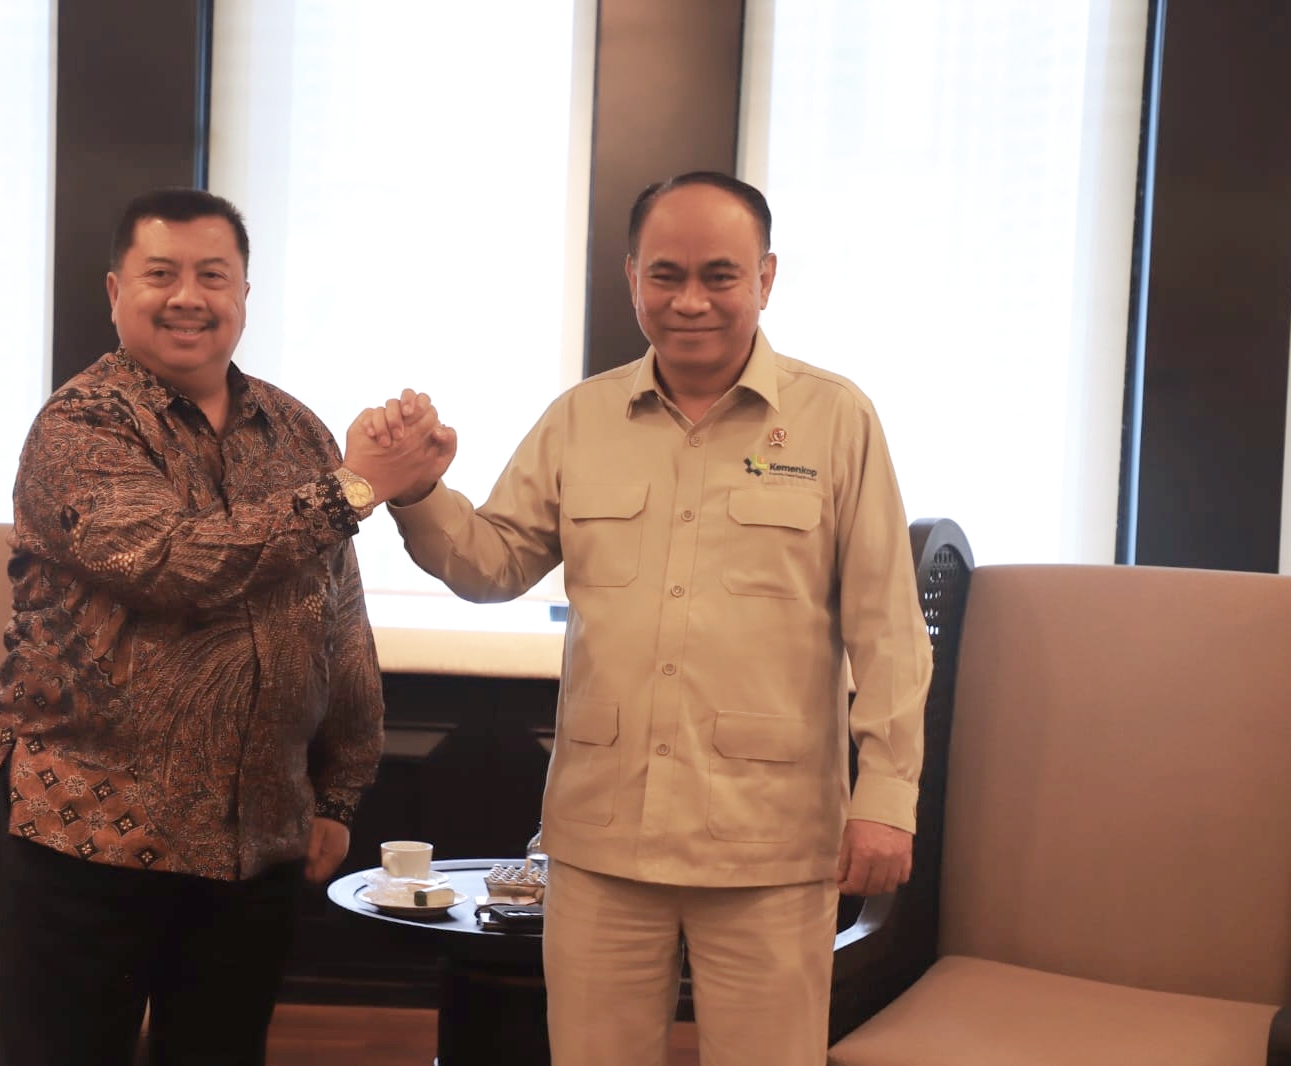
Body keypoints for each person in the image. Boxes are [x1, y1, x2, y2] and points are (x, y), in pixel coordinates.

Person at [366, 171, 931, 1066]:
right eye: (666, 275)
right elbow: (491, 565)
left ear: (765, 277)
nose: (690, 300)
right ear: (633, 278)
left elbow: (889, 630)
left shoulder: (836, 420)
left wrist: (888, 802)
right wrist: (420, 491)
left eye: (720, 275)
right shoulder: (580, 419)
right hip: (602, 839)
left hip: (771, 844)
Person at [0, 187, 448, 1066]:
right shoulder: (79, 424)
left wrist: (338, 792)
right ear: (116, 291)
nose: (188, 296)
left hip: (255, 835)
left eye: (213, 276)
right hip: (90, 828)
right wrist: (355, 485)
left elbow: (339, 618)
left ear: (245, 295)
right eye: (162, 274)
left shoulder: (293, 429)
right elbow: (167, 564)